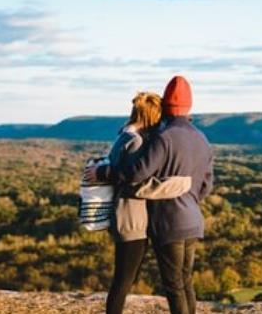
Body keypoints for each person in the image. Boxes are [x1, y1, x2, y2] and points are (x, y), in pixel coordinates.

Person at [88, 76, 214, 314]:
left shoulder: (164, 137)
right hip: (193, 219)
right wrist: (189, 200)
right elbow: (206, 185)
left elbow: (136, 173)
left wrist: (104, 172)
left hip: (169, 222)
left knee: (174, 286)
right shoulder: (202, 138)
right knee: (185, 282)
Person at [95, 91, 163, 314]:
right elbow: (134, 179)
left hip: (123, 215)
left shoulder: (124, 136)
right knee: (123, 280)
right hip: (131, 218)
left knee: (123, 278)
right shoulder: (136, 141)